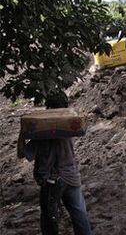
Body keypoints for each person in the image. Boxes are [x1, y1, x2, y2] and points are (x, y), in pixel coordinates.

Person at [17, 91, 92, 235]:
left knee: (49, 221)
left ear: (47, 109)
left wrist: (23, 132)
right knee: (80, 218)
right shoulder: (68, 127)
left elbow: (22, 154)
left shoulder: (41, 134)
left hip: (50, 181)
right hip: (71, 177)